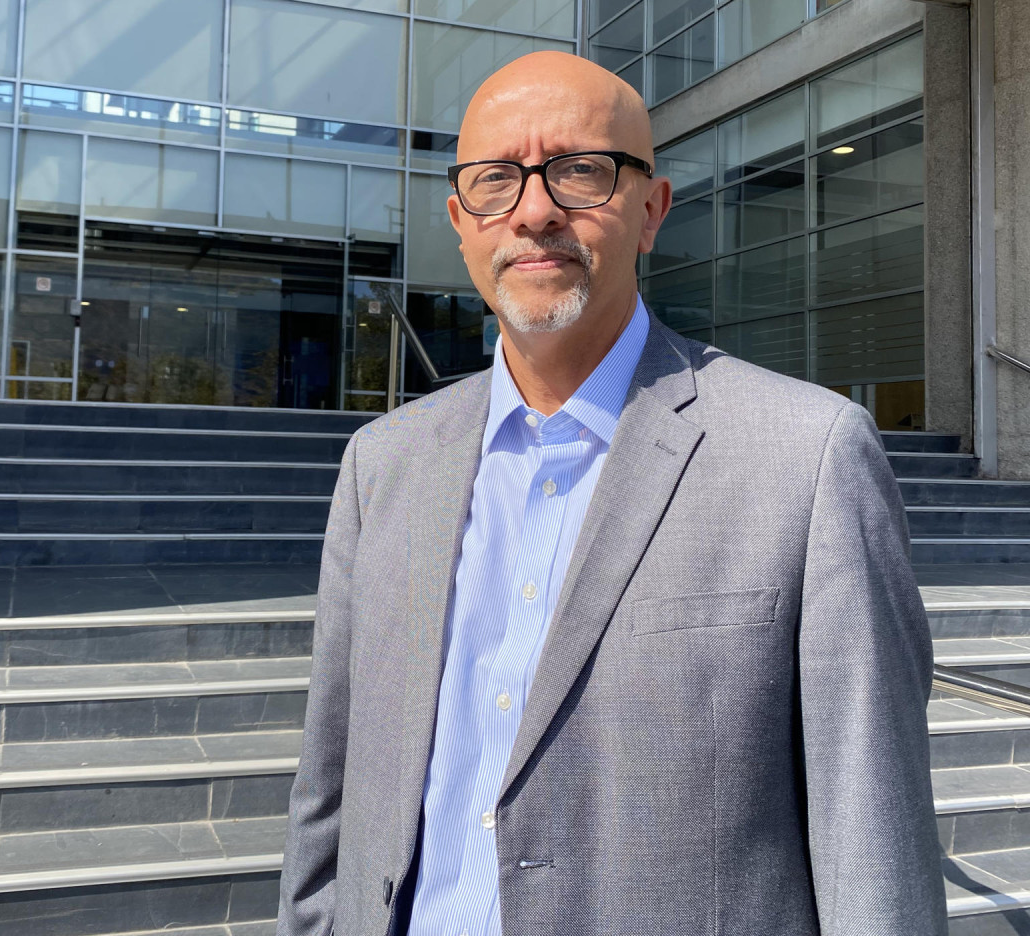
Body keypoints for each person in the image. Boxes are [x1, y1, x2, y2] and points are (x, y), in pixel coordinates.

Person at [277, 51, 946, 936]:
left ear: (651, 210)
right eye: (495, 180)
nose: (535, 210)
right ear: (461, 220)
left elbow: (872, 837)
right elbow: (331, 785)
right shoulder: (382, 463)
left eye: (581, 171)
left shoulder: (807, 457)